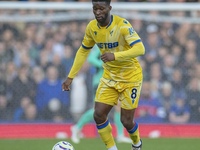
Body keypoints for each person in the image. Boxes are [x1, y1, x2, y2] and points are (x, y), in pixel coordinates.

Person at [62, 1, 145, 150]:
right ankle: (112, 148)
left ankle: (137, 143)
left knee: (126, 121)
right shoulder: (92, 27)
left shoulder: (122, 25)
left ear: (109, 8)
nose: (98, 12)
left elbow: (140, 49)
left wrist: (115, 56)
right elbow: (83, 51)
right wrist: (70, 76)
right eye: (95, 9)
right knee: (98, 114)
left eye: (101, 8)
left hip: (130, 78)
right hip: (109, 78)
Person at [70, 45, 132, 144]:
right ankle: (77, 127)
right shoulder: (101, 44)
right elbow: (91, 58)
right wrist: (102, 64)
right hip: (101, 81)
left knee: (118, 106)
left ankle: (120, 135)